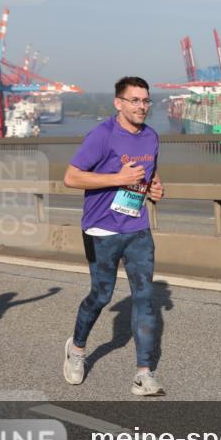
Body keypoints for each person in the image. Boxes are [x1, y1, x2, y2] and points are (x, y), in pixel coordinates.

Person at [62, 76, 166, 396]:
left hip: (137, 228)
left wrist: (155, 188)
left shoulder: (151, 137)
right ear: (118, 103)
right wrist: (116, 178)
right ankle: (77, 350)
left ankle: (143, 374)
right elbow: (70, 177)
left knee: (145, 299)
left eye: (145, 100)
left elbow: (148, 172)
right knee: (101, 296)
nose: (141, 106)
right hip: (101, 230)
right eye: (134, 100)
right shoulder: (102, 135)